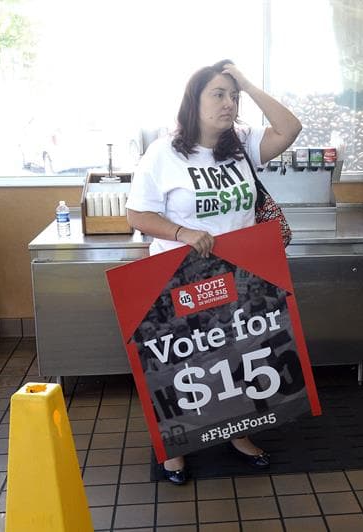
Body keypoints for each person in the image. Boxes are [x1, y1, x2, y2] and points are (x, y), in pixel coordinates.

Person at [125, 59, 301, 485]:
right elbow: (137, 214)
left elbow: (290, 128)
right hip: (180, 276)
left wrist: (247, 83)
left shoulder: (242, 145)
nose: (229, 103)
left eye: (233, 96)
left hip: (240, 275)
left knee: (238, 358)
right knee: (183, 363)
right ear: (194, 101)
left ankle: (238, 433)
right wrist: (182, 232)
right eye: (218, 95)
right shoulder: (164, 153)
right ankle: (177, 446)